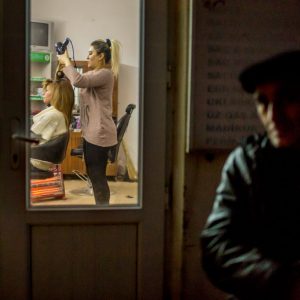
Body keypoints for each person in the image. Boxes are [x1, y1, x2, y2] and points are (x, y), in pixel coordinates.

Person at [200, 50, 300, 300]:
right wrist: (282, 281)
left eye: (287, 99)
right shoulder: (247, 162)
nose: (273, 116)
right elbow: (216, 244)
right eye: (263, 102)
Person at [57, 38, 120, 205]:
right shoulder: (91, 74)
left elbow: (78, 81)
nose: (87, 56)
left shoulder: (105, 74)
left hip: (100, 133)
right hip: (91, 133)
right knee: (93, 174)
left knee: (97, 176)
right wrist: (65, 63)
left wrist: (66, 61)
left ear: (101, 56)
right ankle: (100, 208)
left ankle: (103, 210)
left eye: (91, 53)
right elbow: (77, 79)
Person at [31, 78, 74, 174]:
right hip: (40, 160)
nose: (43, 93)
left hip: (35, 162)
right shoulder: (60, 114)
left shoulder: (54, 115)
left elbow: (31, 137)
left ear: (56, 95)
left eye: (46, 91)